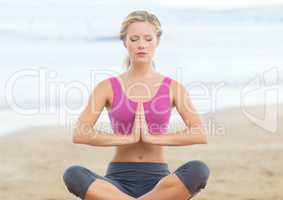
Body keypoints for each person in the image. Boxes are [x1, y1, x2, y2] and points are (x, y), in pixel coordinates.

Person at [63, 10, 210, 200]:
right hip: (116, 182)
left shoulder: (173, 88)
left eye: (148, 39)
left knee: (199, 169)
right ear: (125, 42)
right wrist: (128, 138)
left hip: (159, 182)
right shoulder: (107, 87)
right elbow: (80, 133)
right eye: (134, 39)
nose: (141, 45)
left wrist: (152, 137)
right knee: (73, 174)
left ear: (157, 41)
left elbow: (199, 133)